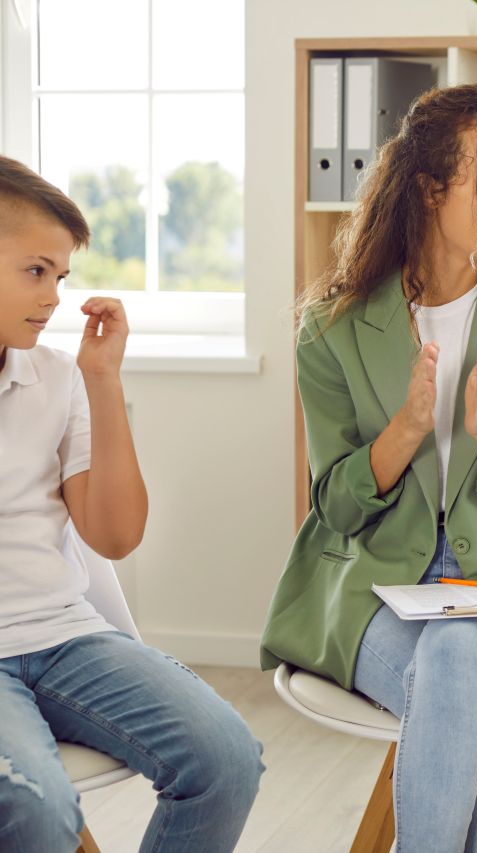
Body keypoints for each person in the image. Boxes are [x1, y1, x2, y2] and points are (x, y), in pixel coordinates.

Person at [260, 84, 477, 853]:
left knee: (457, 652)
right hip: (378, 587)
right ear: (429, 186)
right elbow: (334, 506)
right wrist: (409, 427)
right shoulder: (332, 328)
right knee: (476, 702)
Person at [0, 155, 263, 852]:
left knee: (228, 758)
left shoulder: (58, 378)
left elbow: (115, 535)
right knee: (35, 808)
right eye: (35, 270)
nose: (53, 295)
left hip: (64, 637)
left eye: (60, 276)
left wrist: (102, 381)